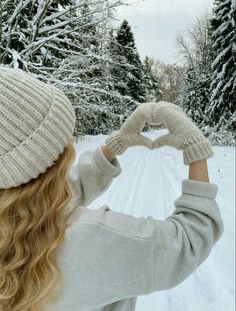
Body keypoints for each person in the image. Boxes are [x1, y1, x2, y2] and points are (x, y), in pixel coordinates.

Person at [0, 66, 224, 311]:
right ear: (46, 155)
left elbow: (46, 197)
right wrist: (196, 151)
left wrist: (115, 145)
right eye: (66, 135)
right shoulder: (94, 241)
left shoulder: (12, 224)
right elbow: (189, 240)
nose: (72, 139)